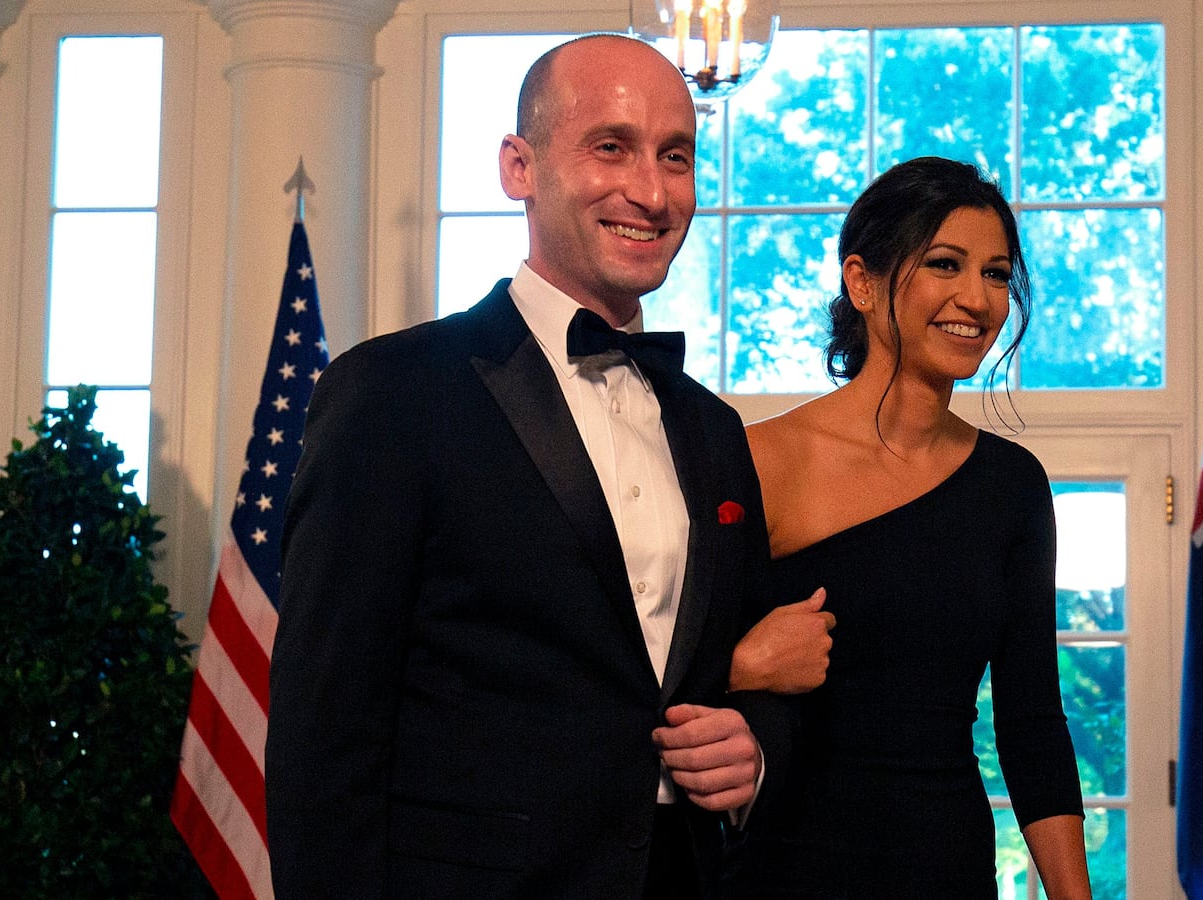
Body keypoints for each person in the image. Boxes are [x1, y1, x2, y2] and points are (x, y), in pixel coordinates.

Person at [265, 33, 820, 898]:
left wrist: (755, 743)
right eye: (611, 146)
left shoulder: (712, 431)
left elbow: (741, 672)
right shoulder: (393, 394)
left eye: (677, 157)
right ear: (518, 167)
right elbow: (322, 734)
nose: (651, 190)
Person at [726, 157, 1094, 899]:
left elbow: (1031, 723)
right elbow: (657, 671)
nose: (977, 298)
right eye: (945, 264)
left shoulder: (1012, 487)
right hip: (780, 868)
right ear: (861, 282)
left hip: (945, 865)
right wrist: (735, 667)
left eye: (996, 274)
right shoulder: (759, 460)